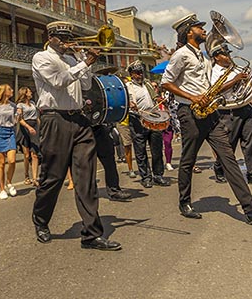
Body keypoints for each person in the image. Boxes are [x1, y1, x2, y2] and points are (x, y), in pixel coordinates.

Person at [160, 13, 252, 224]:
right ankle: (184, 201)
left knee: (229, 159)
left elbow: (208, 85)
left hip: (210, 113)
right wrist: (192, 96)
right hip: (190, 112)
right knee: (188, 160)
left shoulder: (203, 56)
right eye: (199, 27)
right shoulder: (180, 55)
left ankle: (251, 209)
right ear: (189, 31)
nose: (204, 30)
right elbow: (165, 82)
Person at [31, 21, 120, 250]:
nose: (65, 40)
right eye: (60, 36)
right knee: (54, 177)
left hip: (79, 120)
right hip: (55, 119)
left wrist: (83, 61)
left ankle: (92, 234)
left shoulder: (72, 60)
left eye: (67, 36)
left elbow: (86, 83)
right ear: (50, 37)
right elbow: (59, 82)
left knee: (86, 179)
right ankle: (40, 220)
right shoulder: (41, 58)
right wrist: (85, 62)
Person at [209, 44, 252, 186]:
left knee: (251, 142)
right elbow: (215, 89)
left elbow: (246, 89)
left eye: (228, 53)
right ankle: (219, 167)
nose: (228, 56)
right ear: (216, 57)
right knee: (229, 144)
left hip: (245, 108)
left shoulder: (236, 69)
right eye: (224, 54)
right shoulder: (213, 71)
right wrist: (235, 80)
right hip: (227, 111)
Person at [124, 61, 169, 189]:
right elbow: (124, 101)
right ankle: (146, 177)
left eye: (141, 72)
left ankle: (158, 175)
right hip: (137, 119)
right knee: (140, 150)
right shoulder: (128, 87)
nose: (140, 75)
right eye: (137, 73)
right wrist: (130, 103)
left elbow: (154, 97)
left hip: (153, 117)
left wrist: (159, 100)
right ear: (131, 74)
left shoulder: (148, 84)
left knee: (157, 149)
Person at [0, 84, 27, 199]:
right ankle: (2, 189)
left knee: (12, 161)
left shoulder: (13, 105)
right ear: (3, 92)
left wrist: (18, 114)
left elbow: (17, 120)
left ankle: (9, 182)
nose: (12, 91)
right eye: (9, 89)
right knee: (1, 163)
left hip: (10, 132)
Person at [92, 123, 131, 201]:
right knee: (87, 165)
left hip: (101, 128)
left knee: (110, 162)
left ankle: (114, 191)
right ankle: (89, 193)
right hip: (85, 129)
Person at [16, 87, 41, 186]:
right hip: (25, 128)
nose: (31, 92)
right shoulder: (20, 105)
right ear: (25, 93)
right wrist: (28, 127)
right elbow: (20, 119)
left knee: (34, 153)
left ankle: (35, 178)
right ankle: (26, 175)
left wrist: (40, 127)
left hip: (34, 126)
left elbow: (37, 117)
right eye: (29, 91)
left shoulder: (33, 104)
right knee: (26, 155)